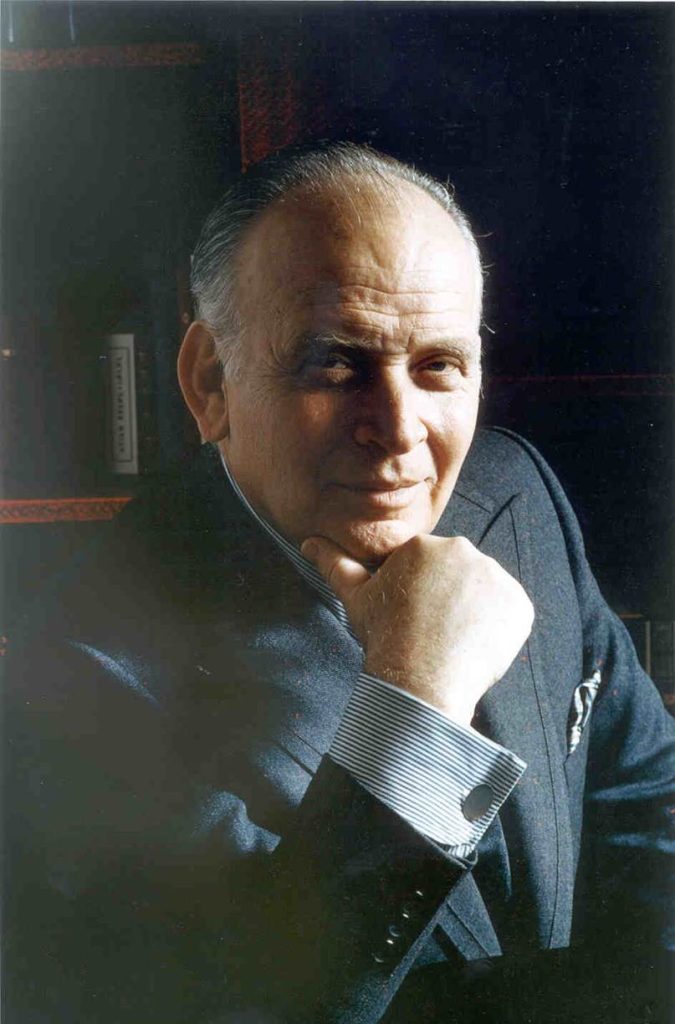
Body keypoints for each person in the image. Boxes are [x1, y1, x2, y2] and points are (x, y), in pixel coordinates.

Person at [4, 143, 673, 1024]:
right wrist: (417, 702)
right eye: (334, 363)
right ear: (210, 381)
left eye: (438, 365)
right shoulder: (76, 680)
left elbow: (649, 799)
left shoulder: (514, 491)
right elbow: (255, 1007)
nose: (397, 430)